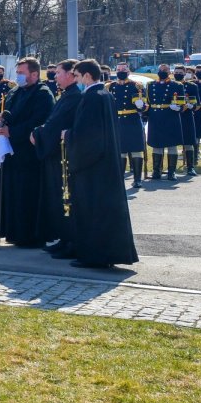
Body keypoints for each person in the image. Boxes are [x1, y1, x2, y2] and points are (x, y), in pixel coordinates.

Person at [62, 59, 139, 268]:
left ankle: (93, 256)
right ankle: (102, 254)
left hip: (92, 167)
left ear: (87, 76)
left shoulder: (92, 97)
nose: (75, 80)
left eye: (76, 76)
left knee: (93, 212)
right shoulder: (105, 94)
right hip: (105, 164)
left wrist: (68, 135)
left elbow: (88, 136)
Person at [0, 57, 55, 248]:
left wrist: (14, 132)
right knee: (11, 192)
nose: (18, 76)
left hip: (29, 152)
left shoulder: (43, 94)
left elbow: (38, 121)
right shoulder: (14, 91)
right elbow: (2, 109)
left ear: (34, 74)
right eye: (17, 72)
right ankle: (12, 231)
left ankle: (29, 235)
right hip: (10, 151)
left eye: (22, 73)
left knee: (26, 194)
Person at [31, 59, 83, 256]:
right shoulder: (65, 95)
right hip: (56, 154)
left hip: (65, 155)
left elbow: (58, 124)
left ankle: (72, 241)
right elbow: (52, 121)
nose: (55, 77)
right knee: (58, 199)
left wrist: (37, 134)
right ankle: (63, 237)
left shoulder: (75, 96)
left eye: (59, 73)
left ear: (71, 74)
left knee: (67, 199)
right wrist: (40, 130)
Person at [106, 63, 147, 187]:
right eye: (118, 69)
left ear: (128, 71)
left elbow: (144, 106)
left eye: (123, 69)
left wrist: (141, 106)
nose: (121, 71)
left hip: (132, 120)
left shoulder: (136, 86)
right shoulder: (110, 86)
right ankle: (120, 178)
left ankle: (137, 179)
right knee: (120, 151)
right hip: (117, 121)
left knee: (136, 150)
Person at [145, 63, 184, 181]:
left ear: (169, 72)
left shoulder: (176, 85)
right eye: (161, 70)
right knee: (157, 144)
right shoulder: (150, 85)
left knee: (172, 145)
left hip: (170, 116)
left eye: (165, 70)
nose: (163, 72)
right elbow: (147, 102)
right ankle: (156, 171)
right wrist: (144, 114)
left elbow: (181, 103)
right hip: (155, 116)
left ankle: (171, 172)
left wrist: (178, 108)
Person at [174, 65, 198, 177]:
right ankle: (171, 169)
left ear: (184, 73)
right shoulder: (171, 85)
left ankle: (190, 167)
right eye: (176, 72)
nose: (178, 74)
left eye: (180, 72)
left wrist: (190, 105)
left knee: (188, 143)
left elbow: (196, 104)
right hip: (173, 116)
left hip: (187, 116)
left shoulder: (192, 86)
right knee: (172, 143)